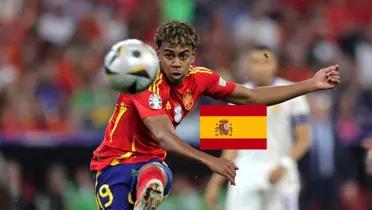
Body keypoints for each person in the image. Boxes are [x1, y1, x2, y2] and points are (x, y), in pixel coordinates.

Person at [90, 21, 340, 210]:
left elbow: (253, 100)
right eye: (169, 55)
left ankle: (149, 186)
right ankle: (147, 187)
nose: (176, 63)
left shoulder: (202, 78)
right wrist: (212, 166)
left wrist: (311, 84)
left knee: (157, 169)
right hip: (115, 163)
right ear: (158, 54)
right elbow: (168, 135)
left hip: (279, 174)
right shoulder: (143, 80)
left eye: (183, 55)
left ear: (193, 56)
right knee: (155, 169)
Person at [204, 47, 311, 210]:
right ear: (248, 65)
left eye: (265, 62)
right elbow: (232, 146)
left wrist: (285, 164)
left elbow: (304, 139)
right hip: (246, 172)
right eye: (255, 62)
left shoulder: (293, 94)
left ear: (275, 65)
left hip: (281, 171)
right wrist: (215, 181)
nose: (260, 67)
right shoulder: (235, 95)